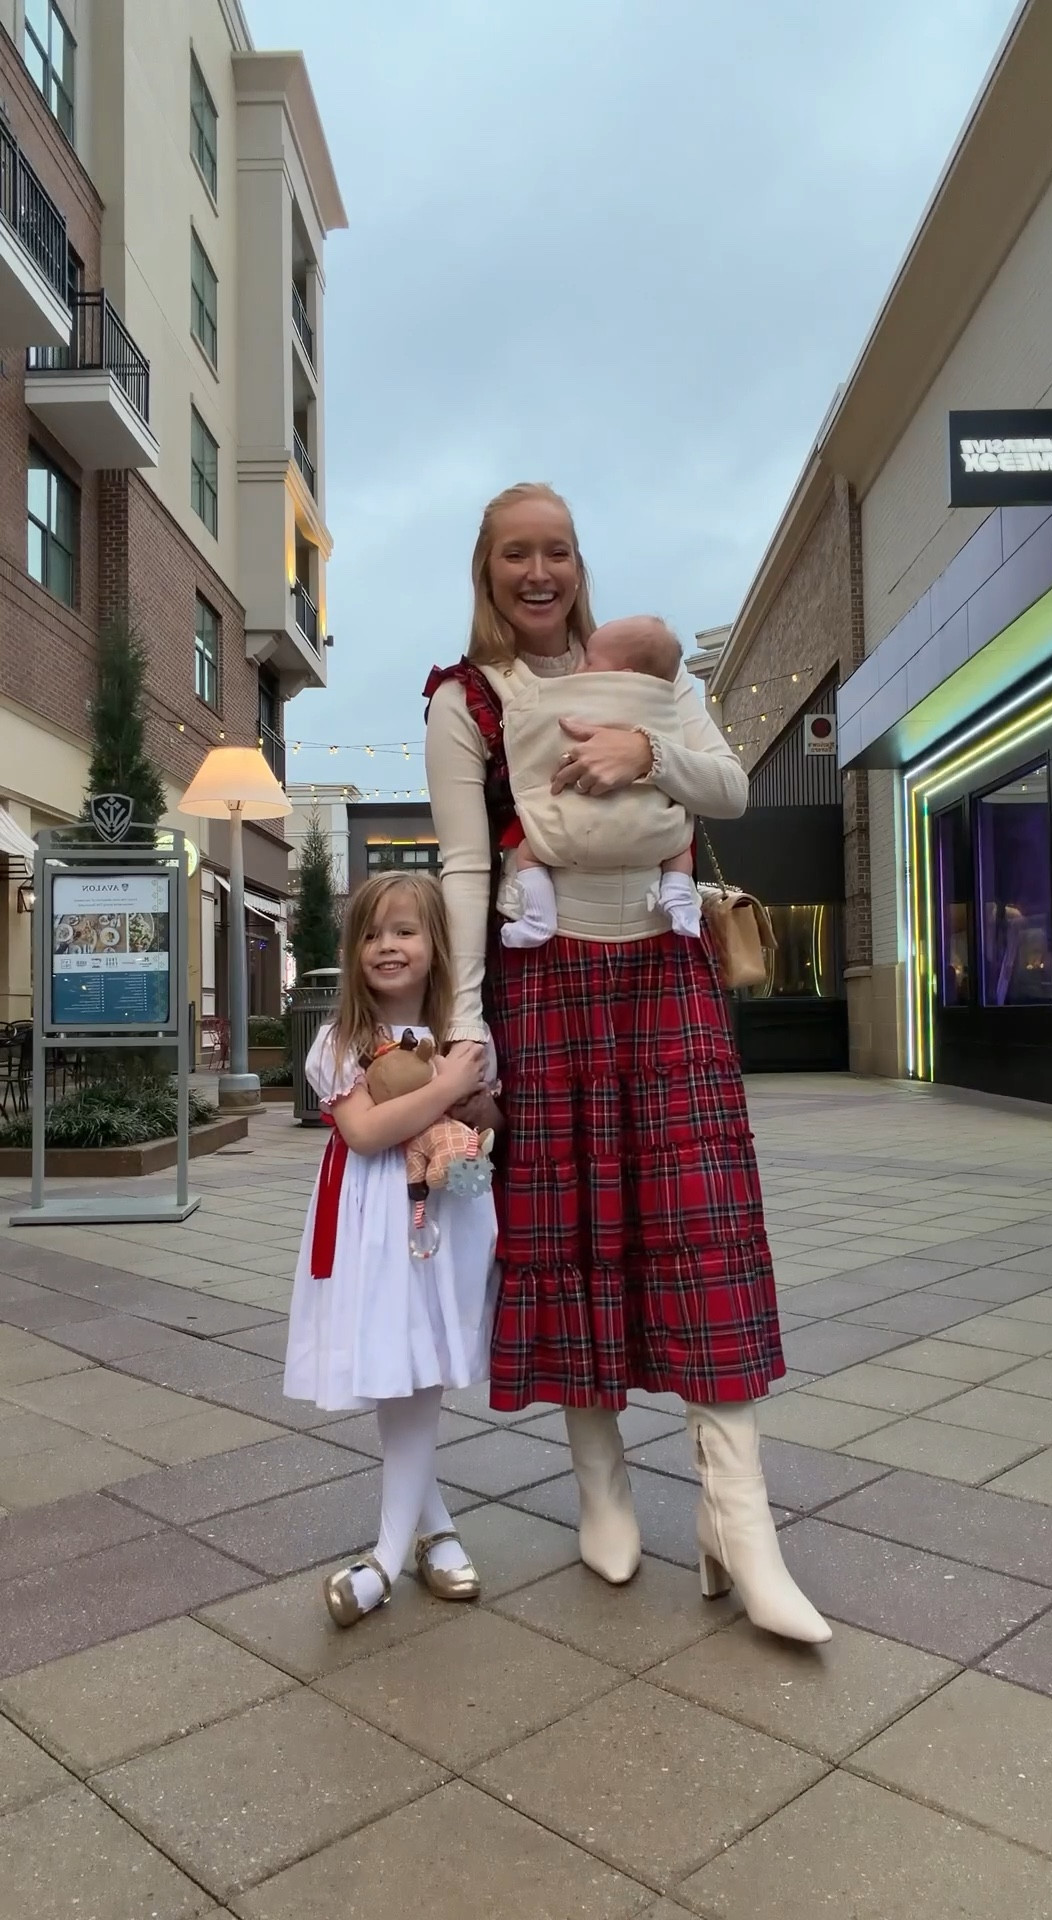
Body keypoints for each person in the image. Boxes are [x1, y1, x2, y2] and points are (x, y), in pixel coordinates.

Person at [424, 481, 830, 1644]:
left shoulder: (660, 680)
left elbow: (734, 790)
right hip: (542, 984)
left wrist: (651, 745)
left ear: (576, 561)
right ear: (487, 568)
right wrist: (466, 1022)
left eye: (555, 550)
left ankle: (738, 1521)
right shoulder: (467, 701)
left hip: (663, 971)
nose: (538, 572)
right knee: (572, 1231)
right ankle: (601, 1487)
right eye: (515, 554)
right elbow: (462, 867)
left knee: (701, 1227)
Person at [283, 870, 499, 1627]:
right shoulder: (341, 1039)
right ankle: (392, 1553)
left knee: (415, 1370)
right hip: (372, 1218)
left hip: (445, 1216)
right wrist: (445, 1087)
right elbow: (366, 1130)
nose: (387, 947)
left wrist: (472, 1104)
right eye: (371, 934)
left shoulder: (468, 1037)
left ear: (436, 944)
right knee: (399, 1369)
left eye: (405, 931)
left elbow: (485, 1113)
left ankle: (428, 1532)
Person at [500, 614, 700, 948]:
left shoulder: (571, 704)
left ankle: (538, 918)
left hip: (576, 833)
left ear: (623, 677)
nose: (579, 671)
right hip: (655, 833)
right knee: (681, 846)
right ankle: (679, 898)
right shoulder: (667, 709)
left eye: (590, 662)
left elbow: (533, 737)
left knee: (528, 853)